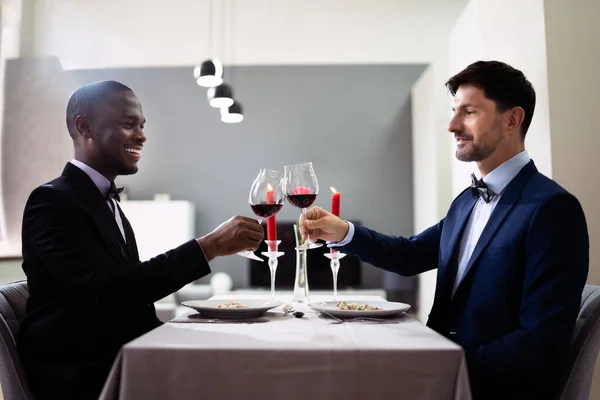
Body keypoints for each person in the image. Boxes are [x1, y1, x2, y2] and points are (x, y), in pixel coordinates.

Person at [300, 61, 589, 399]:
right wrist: (345, 232)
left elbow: (539, 343)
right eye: (454, 112)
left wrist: (439, 365)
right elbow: (410, 255)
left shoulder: (552, 209)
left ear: (512, 119)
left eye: (468, 112)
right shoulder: (465, 202)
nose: (452, 125)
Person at [17, 81, 264, 399]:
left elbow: (129, 296)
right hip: (86, 377)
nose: (142, 135)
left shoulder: (106, 201)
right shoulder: (52, 201)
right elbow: (106, 293)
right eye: (128, 124)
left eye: (142, 125)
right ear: (85, 126)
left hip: (123, 358)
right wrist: (209, 246)